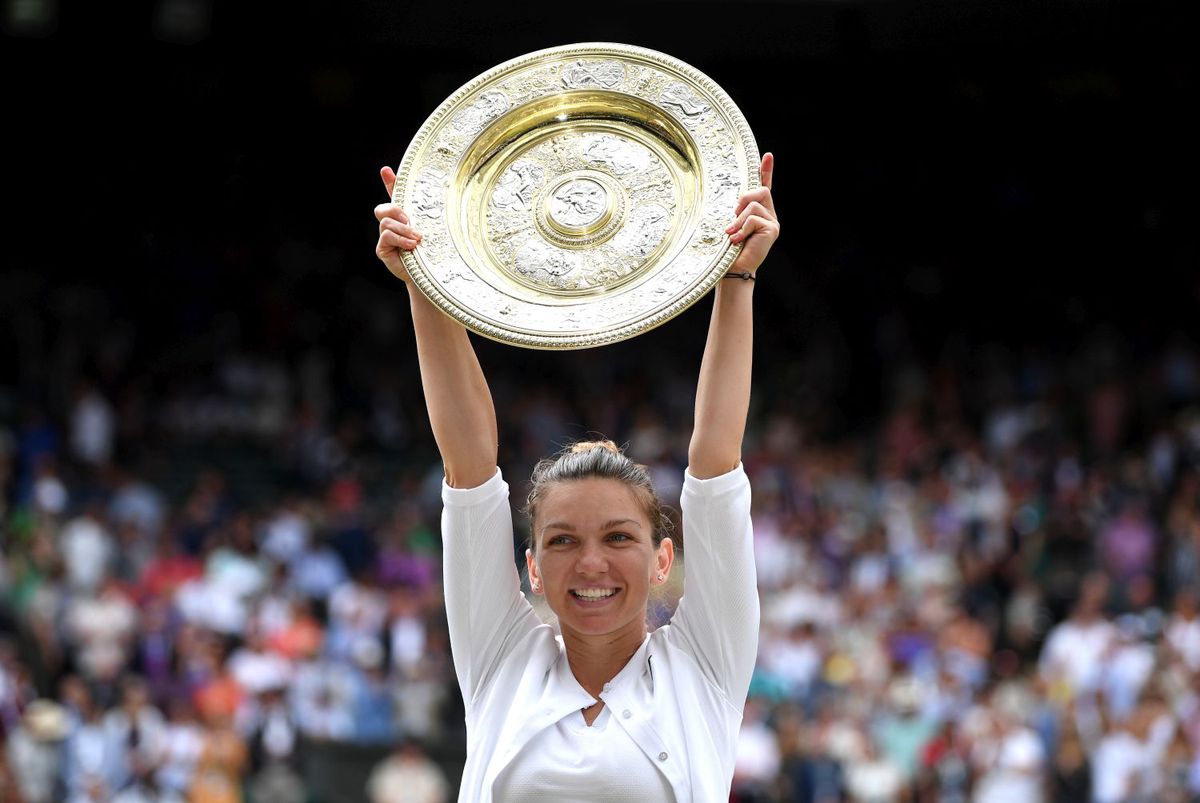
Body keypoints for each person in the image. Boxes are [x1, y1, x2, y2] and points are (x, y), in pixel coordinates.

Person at [374, 152, 780, 802]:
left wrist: (737, 277)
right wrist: (426, 278)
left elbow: (715, 462)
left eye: (618, 537)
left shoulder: (703, 665)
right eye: (563, 540)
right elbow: (469, 470)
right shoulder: (503, 659)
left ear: (662, 557)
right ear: (532, 566)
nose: (590, 561)